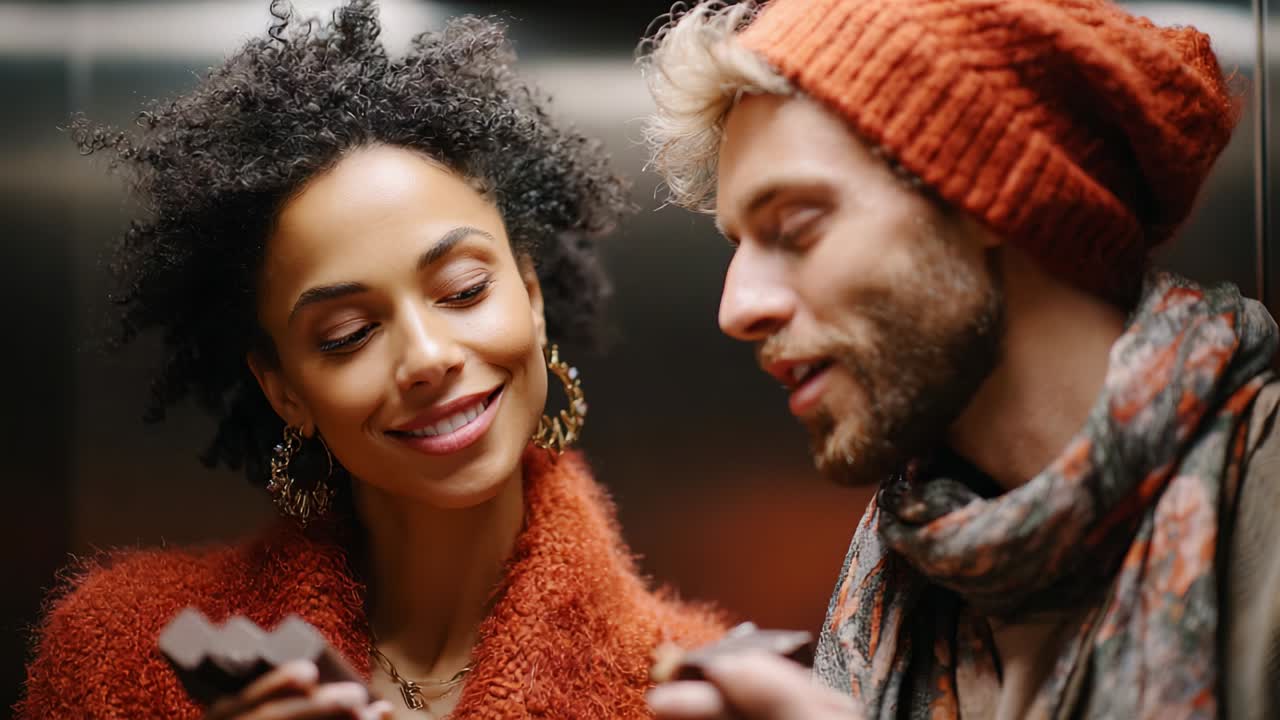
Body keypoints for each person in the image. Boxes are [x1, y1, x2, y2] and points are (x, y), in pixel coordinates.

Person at [16, 2, 725, 718]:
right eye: (349, 333)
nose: (427, 358)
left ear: (531, 295)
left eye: (464, 290)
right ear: (284, 389)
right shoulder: (120, 652)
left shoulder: (694, 695)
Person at [638, 0, 1280, 718]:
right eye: (739, 246)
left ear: (992, 195)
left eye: (795, 225)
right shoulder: (923, 550)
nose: (736, 308)